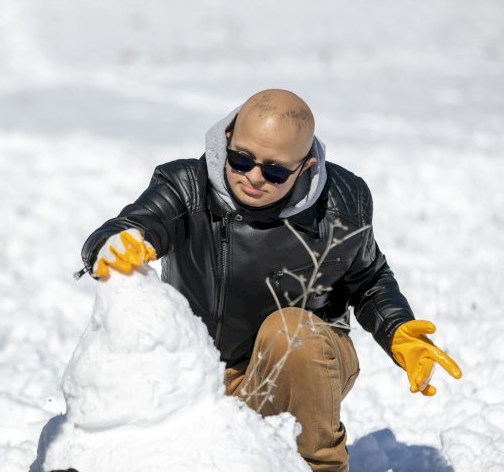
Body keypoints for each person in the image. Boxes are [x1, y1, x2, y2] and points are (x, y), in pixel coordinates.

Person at [79, 89, 462, 471]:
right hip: (194, 379)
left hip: (300, 367)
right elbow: (131, 225)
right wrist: (117, 243)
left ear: (305, 165)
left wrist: (397, 329)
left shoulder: (341, 205)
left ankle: (321, 466)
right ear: (228, 139)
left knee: (290, 330)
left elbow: (368, 278)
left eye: (275, 171)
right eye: (241, 160)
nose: (253, 178)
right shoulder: (186, 187)